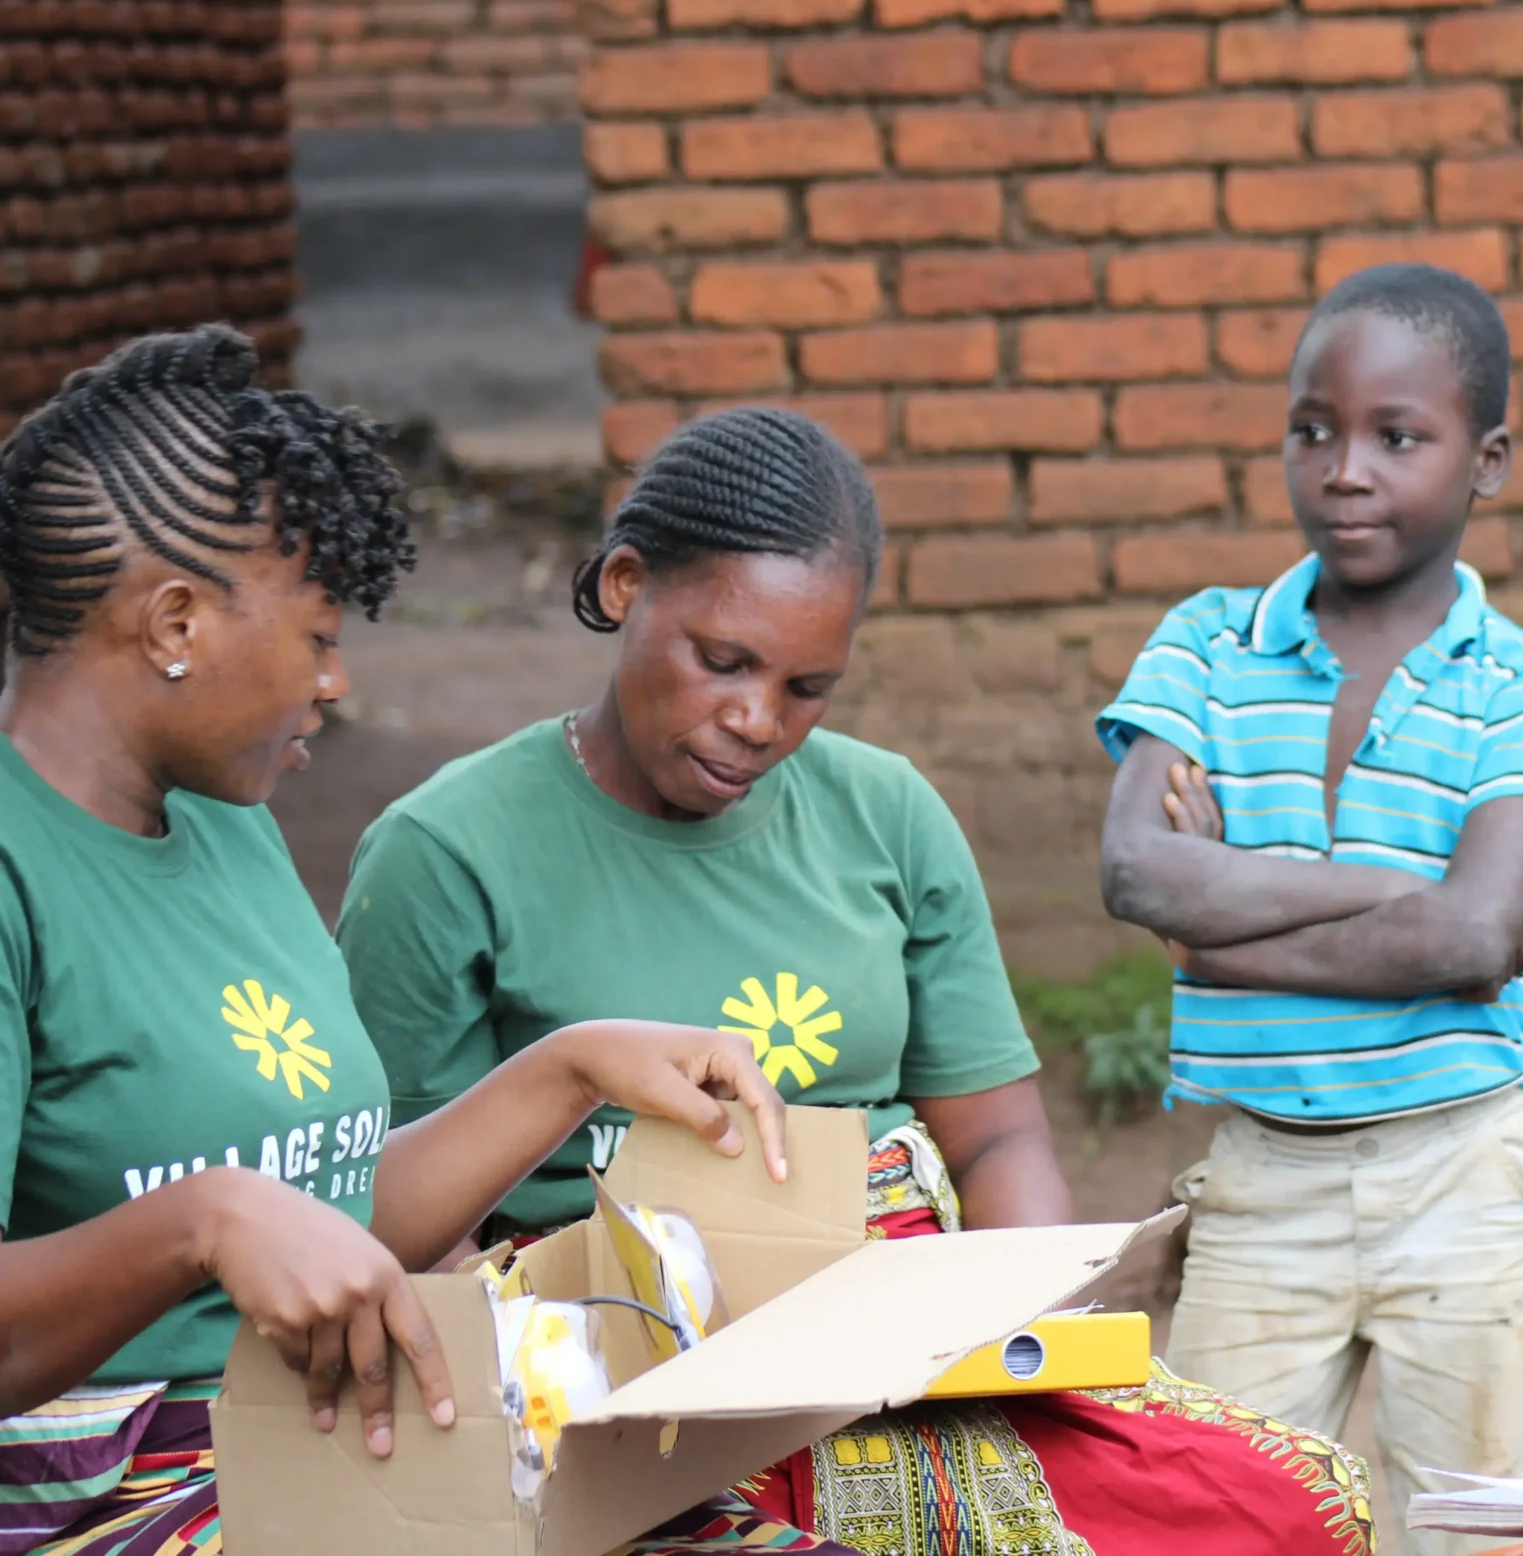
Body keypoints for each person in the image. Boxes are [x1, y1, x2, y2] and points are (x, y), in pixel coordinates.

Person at [338, 405, 1375, 1556]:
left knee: (1282, 1506)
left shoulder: (883, 813)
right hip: (639, 1381)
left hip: (913, 1337)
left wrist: (1023, 1330)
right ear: (627, 583)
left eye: (805, 688)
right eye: (721, 662)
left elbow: (993, 1143)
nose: (755, 721)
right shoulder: (446, 852)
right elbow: (401, 1226)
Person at [0, 327, 850, 1556]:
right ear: (175, 624)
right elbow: (241, 1224)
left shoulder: (224, 822)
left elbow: (329, 1215)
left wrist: (570, 1068)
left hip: (328, 1449)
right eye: (321, 635)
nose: (337, 684)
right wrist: (201, 1224)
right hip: (125, 1496)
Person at [1094, 264, 1523, 1555]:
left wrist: (1220, 940)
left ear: (1486, 462)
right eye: (1312, 428)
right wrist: (1383, 892)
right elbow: (1139, 871)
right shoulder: (1207, 643)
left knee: (1475, 1535)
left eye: (1397, 436)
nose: (1345, 468)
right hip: (1262, 1175)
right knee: (1213, 1520)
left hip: (1466, 1170)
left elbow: (1477, 937)